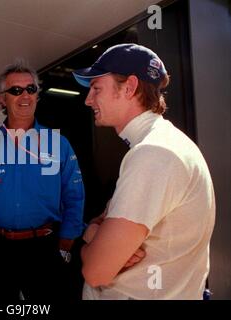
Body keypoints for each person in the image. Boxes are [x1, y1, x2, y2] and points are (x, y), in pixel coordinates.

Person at [73, 43, 215, 299]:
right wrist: (96, 231)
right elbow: (102, 223)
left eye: (96, 89)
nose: (88, 99)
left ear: (129, 87)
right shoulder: (162, 144)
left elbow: (96, 271)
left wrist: (89, 240)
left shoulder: (154, 153)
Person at [0, 60, 85, 300]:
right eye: (15, 90)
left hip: (44, 249)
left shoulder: (57, 143)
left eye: (31, 89)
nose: (25, 95)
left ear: (38, 95)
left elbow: (74, 196)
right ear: (1, 99)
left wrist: (65, 243)